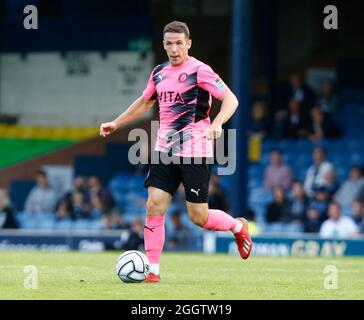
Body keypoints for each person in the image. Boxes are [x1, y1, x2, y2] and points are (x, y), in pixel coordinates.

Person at [100, 21, 252, 283]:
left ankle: (238, 226)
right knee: (154, 204)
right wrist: (117, 122)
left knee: (198, 216)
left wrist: (217, 123)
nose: (174, 48)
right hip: (164, 150)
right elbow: (144, 102)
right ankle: (153, 272)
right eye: (169, 43)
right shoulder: (159, 72)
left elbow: (231, 99)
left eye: (179, 43)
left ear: (188, 43)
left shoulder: (200, 70)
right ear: (163, 45)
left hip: (195, 151)